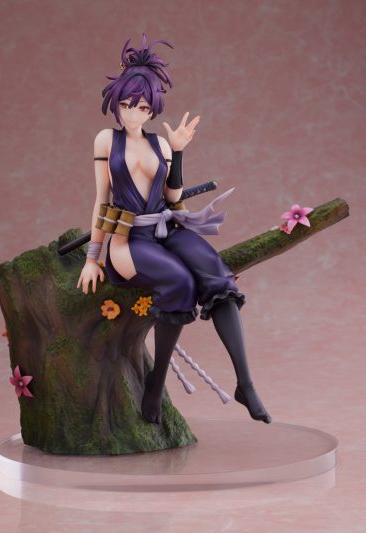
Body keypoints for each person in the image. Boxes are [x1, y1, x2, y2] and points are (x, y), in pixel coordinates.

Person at [77, 34, 272, 425]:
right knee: (180, 282)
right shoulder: (106, 140)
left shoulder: (161, 146)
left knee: (216, 275)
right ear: (116, 102)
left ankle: (246, 383)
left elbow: (173, 197)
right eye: (127, 104)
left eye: (142, 106)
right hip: (127, 239)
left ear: (152, 108)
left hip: (166, 228)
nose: (133, 113)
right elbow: (101, 199)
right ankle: (156, 381)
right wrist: (92, 257)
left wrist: (178, 151)